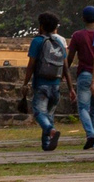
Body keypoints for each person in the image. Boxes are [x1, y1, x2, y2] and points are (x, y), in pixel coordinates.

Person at [26, 13, 69, 152]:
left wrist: (25, 82)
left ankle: (51, 131)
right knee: (49, 115)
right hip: (56, 84)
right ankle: (47, 144)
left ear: (42, 26)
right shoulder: (60, 42)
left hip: (41, 84)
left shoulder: (37, 41)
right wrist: (70, 86)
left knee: (38, 112)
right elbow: (65, 66)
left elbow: (31, 65)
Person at [67, 6, 94, 150]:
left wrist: (65, 71)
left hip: (84, 75)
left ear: (83, 19)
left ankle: (90, 133)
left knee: (83, 107)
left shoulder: (77, 35)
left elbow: (69, 57)